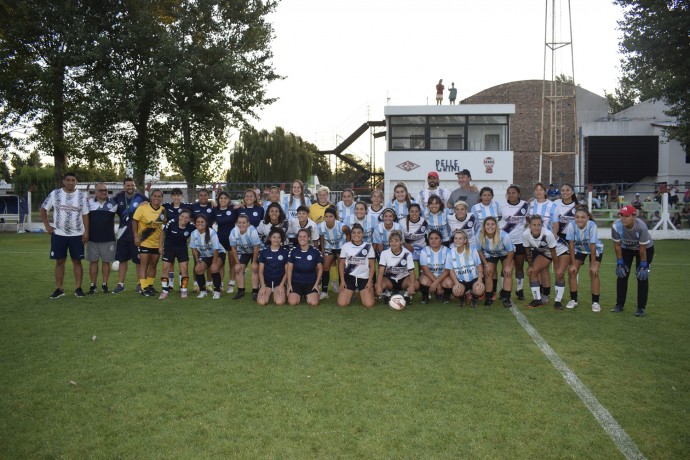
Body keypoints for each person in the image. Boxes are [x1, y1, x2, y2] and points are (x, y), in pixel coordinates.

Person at [40, 172, 90, 299]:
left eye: (73, 180)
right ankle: (59, 289)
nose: (70, 182)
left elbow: (85, 215)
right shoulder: (55, 194)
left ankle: (78, 288)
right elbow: (43, 208)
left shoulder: (81, 196)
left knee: (77, 261)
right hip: (59, 234)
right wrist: (47, 226)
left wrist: (86, 231)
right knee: (60, 261)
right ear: (64, 181)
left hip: (77, 234)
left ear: (76, 182)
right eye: (68, 180)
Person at [611, 205, 654, 317]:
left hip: (645, 249)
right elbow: (617, 245)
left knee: (642, 276)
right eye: (621, 215)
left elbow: (642, 248)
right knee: (622, 275)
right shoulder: (616, 226)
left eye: (627, 216)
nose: (623, 218)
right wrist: (620, 262)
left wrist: (644, 265)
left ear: (634, 216)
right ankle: (619, 305)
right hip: (626, 249)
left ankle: (641, 308)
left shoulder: (641, 227)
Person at [113, 178, 148, 294]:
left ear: (135, 186)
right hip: (122, 234)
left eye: (132, 185)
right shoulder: (118, 197)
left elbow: (152, 206)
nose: (130, 187)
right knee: (122, 260)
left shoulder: (141, 198)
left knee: (138, 260)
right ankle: (121, 284)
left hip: (137, 234)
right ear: (124, 186)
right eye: (127, 185)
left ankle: (139, 283)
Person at [565, 205, 604, 312]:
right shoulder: (571, 225)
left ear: (587, 218)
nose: (580, 219)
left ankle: (595, 302)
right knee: (572, 271)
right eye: (577, 217)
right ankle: (574, 299)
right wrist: (572, 264)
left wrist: (592, 265)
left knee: (593, 272)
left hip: (595, 250)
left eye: (583, 217)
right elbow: (571, 245)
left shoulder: (592, 225)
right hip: (579, 249)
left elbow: (593, 245)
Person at [132, 189, 167, 297]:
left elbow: (163, 228)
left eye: (159, 196)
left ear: (162, 198)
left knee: (153, 265)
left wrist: (161, 244)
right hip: (144, 241)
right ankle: (143, 287)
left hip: (156, 243)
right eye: (155, 196)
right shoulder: (142, 207)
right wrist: (136, 236)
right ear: (151, 197)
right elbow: (134, 221)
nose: (157, 198)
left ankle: (150, 285)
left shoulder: (163, 210)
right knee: (144, 265)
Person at [85, 183, 117, 295]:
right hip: (92, 238)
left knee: (106, 262)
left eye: (105, 190)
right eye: (101, 190)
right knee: (93, 262)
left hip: (108, 238)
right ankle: (93, 285)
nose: (103, 192)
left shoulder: (114, 203)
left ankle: (104, 285)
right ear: (95, 191)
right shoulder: (88, 202)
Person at [523, 215, 561, 308]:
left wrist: (557, 269)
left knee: (559, 273)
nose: (536, 227)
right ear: (530, 225)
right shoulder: (526, 234)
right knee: (533, 271)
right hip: (542, 251)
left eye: (539, 225)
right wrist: (530, 265)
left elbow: (553, 253)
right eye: (534, 225)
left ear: (542, 225)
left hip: (558, 251)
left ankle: (556, 300)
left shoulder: (548, 234)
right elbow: (527, 251)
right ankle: (538, 298)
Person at [476, 217, 515, 307]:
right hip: (491, 254)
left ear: (496, 225)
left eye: (493, 224)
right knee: (488, 272)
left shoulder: (503, 235)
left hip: (505, 254)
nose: (490, 226)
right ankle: (489, 297)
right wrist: (486, 265)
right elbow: (479, 250)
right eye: (488, 224)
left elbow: (511, 251)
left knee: (507, 272)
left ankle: (506, 298)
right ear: (484, 226)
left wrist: (508, 265)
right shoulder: (479, 235)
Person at [551, 183, 578, 309]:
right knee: (552, 270)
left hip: (572, 242)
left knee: (567, 271)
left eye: (568, 190)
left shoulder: (578, 206)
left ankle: (564, 299)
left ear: (572, 192)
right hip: (556, 240)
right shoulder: (555, 203)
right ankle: (542, 295)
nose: (565, 192)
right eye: (562, 190)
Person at [158, 208, 195, 299]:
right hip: (169, 248)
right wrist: (160, 246)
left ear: (189, 219)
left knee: (184, 269)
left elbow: (201, 231)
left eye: (186, 218)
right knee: (165, 269)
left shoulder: (191, 226)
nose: (184, 219)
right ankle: (165, 291)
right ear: (179, 216)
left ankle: (183, 290)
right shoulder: (172, 222)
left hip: (182, 248)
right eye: (182, 216)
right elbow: (163, 233)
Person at [500, 185, 528, 300]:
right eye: (509, 193)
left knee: (519, 266)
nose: (511, 195)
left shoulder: (525, 205)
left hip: (520, 241)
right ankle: (503, 289)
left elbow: (530, 219)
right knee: (506, 266)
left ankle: (520, 290)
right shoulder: (501, 206)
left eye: (514, 193)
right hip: (506, 242)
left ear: (519, 194)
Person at [337, 223, 376, 308]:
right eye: (354, 233)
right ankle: (352, 293)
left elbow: (373, 266)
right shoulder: (346, 246)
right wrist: (342, 281)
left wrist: (370, 282)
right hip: (349, 277)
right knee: (342, 304)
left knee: (369, 304)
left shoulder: (368, 246)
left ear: (362, 234)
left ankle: (364, 292)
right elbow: (341, 264)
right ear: (351, 234)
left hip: (364, 278)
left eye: (359, 233)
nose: (356, 235)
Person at [445, 230, 485, 307]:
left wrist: (480, 280)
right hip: (461, 281)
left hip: (474, 279)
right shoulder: (450, 253)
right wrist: (456, 283)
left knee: (479, 291)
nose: (457, 240)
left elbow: (479, 267)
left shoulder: (472, 250)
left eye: (460, 238)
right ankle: (462, 296)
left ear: (465, 240)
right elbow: (451, 271)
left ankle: (474, 297)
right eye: (456, 238)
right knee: (456, 292)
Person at [376, 230, 417, 304]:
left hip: (403, 279)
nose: (393, 243)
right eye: (391, 241)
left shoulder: (407, 253)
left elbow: (412, 272)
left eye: (396, 241)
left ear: (401, 242)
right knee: (377, 285)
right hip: (390, 280)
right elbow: (381, 271)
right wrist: (378, 286)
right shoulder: (384, 253)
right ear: (389, 242)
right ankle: (387, 293)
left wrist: (412, 286)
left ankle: (407, 294)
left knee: (416, 284)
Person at [162, 187, 191, 291]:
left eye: (178, 195)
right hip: (169, 240)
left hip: (181, 240)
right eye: (174, 195)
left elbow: (199, 204)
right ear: (171, 196)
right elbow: (152, 203)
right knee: (170, 265)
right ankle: (170, 284)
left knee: (182, 265)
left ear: (181, 196)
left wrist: (213, 202)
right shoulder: (167, 206)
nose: (176, 197)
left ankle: (181, 284)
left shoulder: (186, 206)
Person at [190, 214, 225, 299]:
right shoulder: (194, 233)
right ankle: (203, 291)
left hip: (219, 253)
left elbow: (216, 249)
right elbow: (194, 249)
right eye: (198, 222)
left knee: (214, 268)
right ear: (195, 223)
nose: (200, 223)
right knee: (198, 269)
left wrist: (213, 263)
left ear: (206, 223)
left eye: (202, 222)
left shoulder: (212, 232)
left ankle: (217, 291)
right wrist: (197, 262)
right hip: (206, 255)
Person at [287, 228, 324, 306]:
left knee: (314, 303)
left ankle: (307, 295)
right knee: (292, 302)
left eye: (304, 236)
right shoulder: (293, 251)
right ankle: (299, 295)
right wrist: (289, 285)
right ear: (297, 238)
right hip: (296, 282)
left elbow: (320, 269)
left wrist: (317, 284)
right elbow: (289, 269)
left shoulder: (315, 251)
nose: (302, 238)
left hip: (310, 282)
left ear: (309, 238)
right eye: (300, 236)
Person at [229, 214, 261, 300]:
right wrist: (237, 263)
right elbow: (234, 249)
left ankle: (255, 291)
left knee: (255, 269)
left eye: (244, 223)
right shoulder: (233, 232)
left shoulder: (252, 231)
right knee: (239, 269)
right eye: (239, 222)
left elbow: (256, 247)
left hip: (256, 251)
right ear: (236, 223)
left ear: (248, 224)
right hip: (244, 252)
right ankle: (241, 291)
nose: (241, 225)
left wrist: (254, 262)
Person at [319, 206, 347, 299]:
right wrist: (322, 248)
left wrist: (348, 246)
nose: (328, 218)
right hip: (329, 247)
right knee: (325, 267)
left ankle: (343, 290)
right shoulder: (321, 226)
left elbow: (348, 233)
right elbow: (322, 236)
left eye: (331, 216)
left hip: (341, 247)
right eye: (326, 216)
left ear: (335, 217)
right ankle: (324, 291)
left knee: (341, 268)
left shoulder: (341, 226)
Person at [257, 228, 289, 306]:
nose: (276, 240)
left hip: (279, 283)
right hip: (266, 283)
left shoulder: (285, 252)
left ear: (281, 239)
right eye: (274, 237)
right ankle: (268, 291)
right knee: (262, 302)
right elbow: (260, 271)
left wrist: (282, 285)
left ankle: (278, 291)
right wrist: (263, 285)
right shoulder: (264, 252)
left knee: (279, 302)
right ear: (270, 238)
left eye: (279, 237)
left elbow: (287, 271)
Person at [214, 191, 237, 293]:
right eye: (221, 198)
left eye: (225, 198)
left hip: (232, 240)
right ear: (218, 200)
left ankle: (231, 284)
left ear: (228, 200)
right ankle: (221, 284)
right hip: (220, 240)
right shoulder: (215, 210)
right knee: (221, 263)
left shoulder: (233, 209)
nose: (223, 200)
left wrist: (240, 204)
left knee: (232, 263)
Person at [418, 230, 451, 304]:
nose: (433, 240)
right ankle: (425, 295)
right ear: (428, 240)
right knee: (424, 281)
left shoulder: (448, 251)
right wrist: (437, 283)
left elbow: (447, 270)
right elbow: (425, 270)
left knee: (449, 282)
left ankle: (445, 296)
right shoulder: (424, 251)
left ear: (441, 240)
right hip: (428, 275)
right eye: (431, 238)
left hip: (443, 276)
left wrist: (436, 282)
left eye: (436, 238)